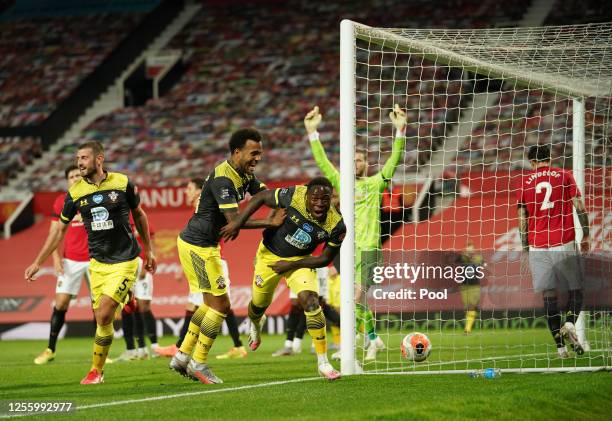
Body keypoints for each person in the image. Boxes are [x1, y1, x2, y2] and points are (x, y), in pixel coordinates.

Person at [25, 141, 156, 384]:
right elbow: (58, 232)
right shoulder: (74, 193)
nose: (79, 163)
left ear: (99, 159)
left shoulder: (122, 182)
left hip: (126, 259)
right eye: (78, 158)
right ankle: (102, 364)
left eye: (84, 158)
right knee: (101, 319)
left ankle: (95, 371)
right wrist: (38, 261)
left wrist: (149, 250)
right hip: (98, 263)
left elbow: (139, 215)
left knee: (105, 313)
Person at [169, 128, 284, 384]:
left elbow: (265, 195)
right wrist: (270, 222)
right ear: (237, 152)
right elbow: (233, 221)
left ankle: (182, 355)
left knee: (210, 304)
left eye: (260, 153)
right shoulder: (224, 179)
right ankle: (198, 362)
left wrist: (289, 203)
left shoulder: (244, 173)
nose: (258, 158)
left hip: (198, 243)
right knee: (221, 307)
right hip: (199, 245)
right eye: (253, 153)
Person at [304, 104, 407, 360]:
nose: (355, 163)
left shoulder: (375, 183)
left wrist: (400, 132)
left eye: (359, 160)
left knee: (355, 296)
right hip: (347, 249)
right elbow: (324, 164)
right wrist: (312, 134)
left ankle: (361, 343)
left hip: (370, 248)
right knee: (353, 301)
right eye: (352, 160)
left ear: (366, 163)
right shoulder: (342, 183)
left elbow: (393, 162)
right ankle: (373, 340)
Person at [221, 177, 345, 380]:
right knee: (259, 304)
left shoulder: (336, 225)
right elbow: (261, 197)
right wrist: (237, 222)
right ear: (306, 195)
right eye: (315, 198)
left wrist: (292, 265)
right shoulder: (293, 195)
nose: (320, 203)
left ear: (331, 198)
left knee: (311, 302)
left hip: (300, 261)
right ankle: (256, 322)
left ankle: (323, 362)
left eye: (325, 199)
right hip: (268, 257)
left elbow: (324, 258)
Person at [155, 178, 250, 360]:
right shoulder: (200, 209)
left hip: (212, 261)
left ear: (200, 191)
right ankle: (236, 345)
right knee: (214, 304)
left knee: (209, 304)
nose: (186, 192)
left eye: (189, 188)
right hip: (206, 259)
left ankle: (183, 348)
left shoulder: (205, 208)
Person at [516, 144, 589, 358]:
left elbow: (522, 219)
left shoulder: (524, 183)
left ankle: (561, 350)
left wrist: (525, 248)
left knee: (548, 296)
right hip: (563, 240)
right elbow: (579, 205)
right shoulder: (564, 175)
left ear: (532, 162)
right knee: (577, 289)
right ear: (551, 158)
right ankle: (569, 323)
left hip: (538, 245)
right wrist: (585, 233)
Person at [32, 165, 90, 365]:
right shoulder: (61, 201)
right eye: (71, 176)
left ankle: (102, 353)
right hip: (71, 260)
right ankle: (50, 349)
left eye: (77, 175)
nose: (75, 178)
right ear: (67, 181)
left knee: (100, 307)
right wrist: (55, 258)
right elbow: (54, 233)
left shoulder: (93, 195)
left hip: (95, 259)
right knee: (60, 303)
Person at [456, 241, 484, 334]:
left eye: (471, 247)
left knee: (472, 306)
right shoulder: (463, 257)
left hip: (475, 286)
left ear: (474, 249)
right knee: (467, 307)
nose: (470, 249)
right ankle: (468, 328)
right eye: (468, 247)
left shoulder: (478, 258)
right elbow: (457, 260)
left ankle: (467, 329)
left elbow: (484, 265)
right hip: (464, 286)